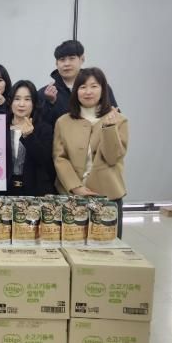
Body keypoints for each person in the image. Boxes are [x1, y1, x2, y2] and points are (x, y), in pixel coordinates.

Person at [53, 67, 128, 237]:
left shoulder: (119, 120)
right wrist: (76, 187)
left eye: (94, 86)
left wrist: (109, 128)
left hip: (108, 197)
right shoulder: (63, 122)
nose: (88, 92)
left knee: (107, 247)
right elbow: (60, 158)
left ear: (103, 90)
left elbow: (112, 158)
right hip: (72, 197)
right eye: (82, 87)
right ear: (75, 91)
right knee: (73, 245)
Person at [38, 40, 118, 125]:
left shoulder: (100, 88)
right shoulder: (44, 93)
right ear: (56, 63)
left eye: (72, 58)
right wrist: (49, 103)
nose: (67, 64)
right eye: (62, 59)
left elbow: (117, 119)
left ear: (82, 59)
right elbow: (40, 127)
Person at [6, 80, 57, 196]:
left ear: (34, 103)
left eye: (27, 99)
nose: (21, 104)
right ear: (11, 102)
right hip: (4, 191)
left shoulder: (44, 129)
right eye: (17, 99)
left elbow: (45, 161)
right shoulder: (0, 127)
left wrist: (29, 136)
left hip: (35, 192)